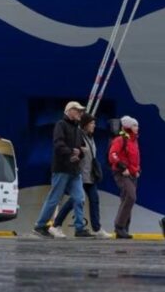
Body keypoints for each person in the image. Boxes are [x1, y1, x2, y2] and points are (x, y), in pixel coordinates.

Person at [33, 102, 91, 239]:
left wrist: (79, 154)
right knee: (54, 198)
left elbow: (81, 150)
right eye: (78, 110)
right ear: (69, 111)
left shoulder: (78, 130)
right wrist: (72, 152)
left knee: (79, 198)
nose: (80, 113)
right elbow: (58, 144)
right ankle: (40, 225)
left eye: (81, 111)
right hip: (62, 169)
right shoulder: (61, 125)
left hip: (74, 170)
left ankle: (79, 228)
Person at [53, 113, 112, 238]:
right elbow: (74, 151)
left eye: (94, 123)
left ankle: (97, 228)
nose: (94, 125)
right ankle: (56, 224)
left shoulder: (91, 137)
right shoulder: (79, 136)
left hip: (90, 176)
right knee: (74, 200)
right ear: (85, 125)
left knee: (94, 200)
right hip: (80, 174)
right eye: (92, 123)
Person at [108, 115, 141, 239]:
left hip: (132, 174)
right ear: (127, 127)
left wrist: (137, 170)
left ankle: (124, 229)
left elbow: (135, 158)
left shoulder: (134, 141)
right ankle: (119, 226)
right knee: (131, 197)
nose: (137, 128)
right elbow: (113, 155)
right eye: (134, 125)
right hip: (122, 173)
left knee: (126, 199)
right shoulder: (120, 140)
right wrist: (123, 168)